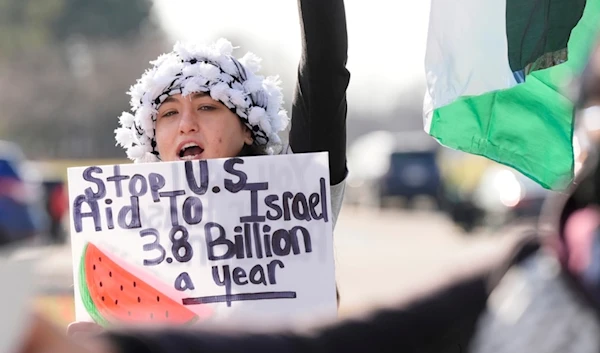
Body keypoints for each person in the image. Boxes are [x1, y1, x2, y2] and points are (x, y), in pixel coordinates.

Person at [67, 0, 350, 336]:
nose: (186, 124)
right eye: (169, 113)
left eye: (207, 106)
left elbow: (324, 70)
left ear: (248, 127)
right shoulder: (127, 228)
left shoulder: (294, 187)